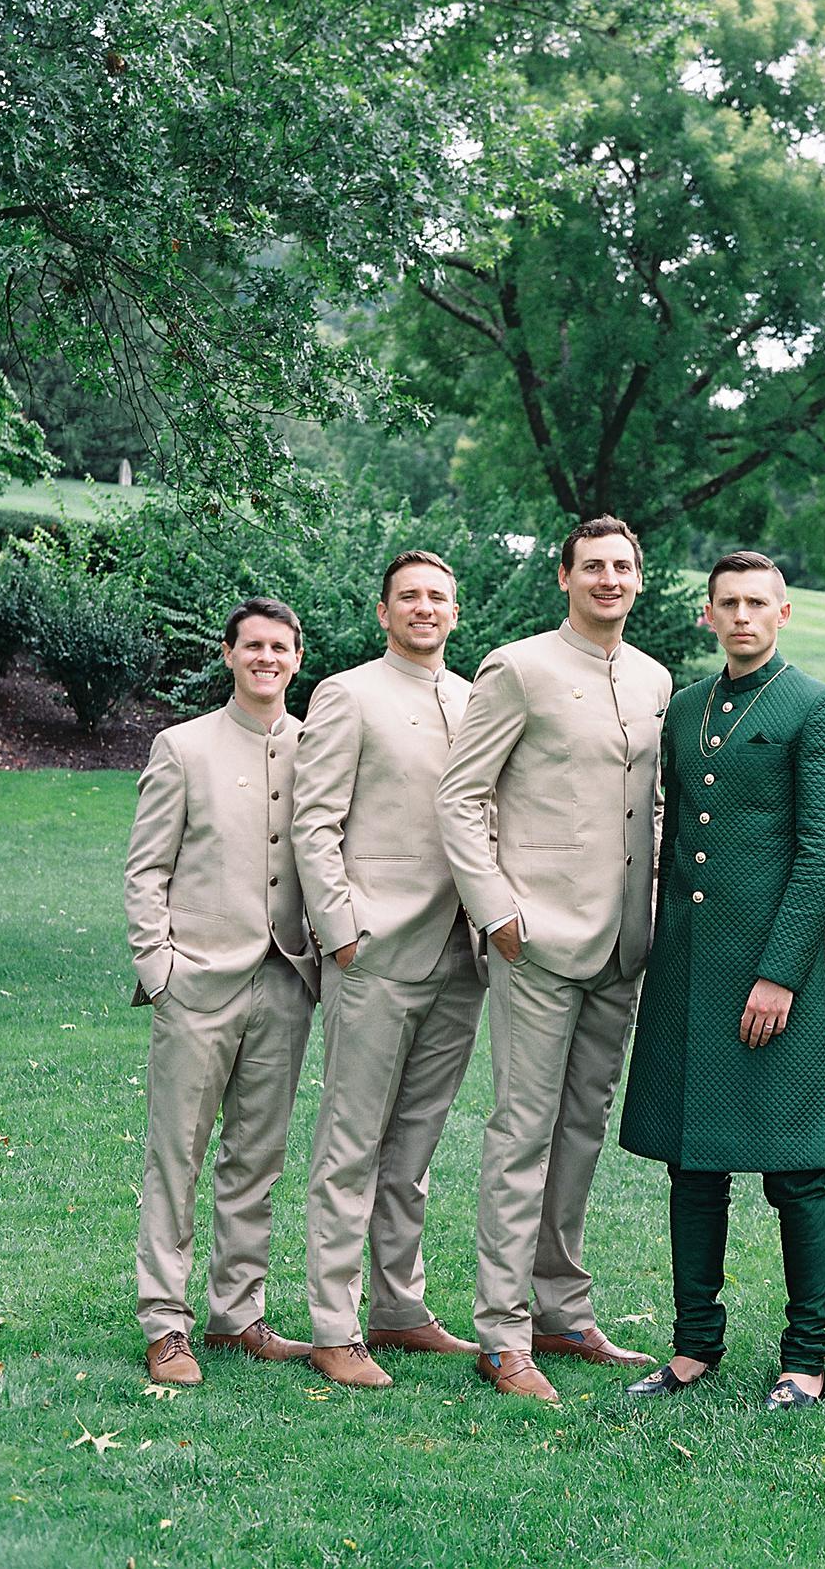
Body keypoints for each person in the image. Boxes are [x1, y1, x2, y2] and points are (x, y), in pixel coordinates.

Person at [619, 551, 825, 1410]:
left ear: (783, 613)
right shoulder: (685, 709)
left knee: (794, 1170)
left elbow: (820, 852)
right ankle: (693, 1348)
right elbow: (677, 836)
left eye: (758, 603)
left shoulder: (818, 709)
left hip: (771, 976)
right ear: (708, 616)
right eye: (728, 603)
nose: (743, 616)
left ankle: (804, 1357)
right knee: (693, 1166)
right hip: (689, 972)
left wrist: (779, 974)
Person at [435, 516, 668, 1402]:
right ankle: (501, 1333)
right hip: (532, 941)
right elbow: (460, 798)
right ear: (564, 577)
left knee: (579, 1133)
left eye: (623, 567)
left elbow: (645, 810)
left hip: (622, 945)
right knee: (521, 1131)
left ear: (638, 580)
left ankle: (561, 1311)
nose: (608, 579)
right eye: (593, 567)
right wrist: (496, 909)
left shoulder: (652, 677)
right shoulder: (518, 667)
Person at [294, 550, 484, 1389]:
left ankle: (398, 1308)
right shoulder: (348, 693)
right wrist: (342, 934)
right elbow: (313, 824)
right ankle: (333, 1325)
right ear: (382, 611)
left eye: (437, 597)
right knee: (352, 1142)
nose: (424, 608)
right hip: (374, 955)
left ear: (455, 611)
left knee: (413, 1146)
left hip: (460, 956)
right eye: (408, 596)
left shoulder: (476, 700)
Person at [125, 597, 319, 1385]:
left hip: (286, 978)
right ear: (229, 654)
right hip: (196, 981)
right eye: (253, 646)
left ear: (297, 658)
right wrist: (157, 968)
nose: (267, 658)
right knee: (177, 1157)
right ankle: (164, 1322)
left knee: (257, 1159)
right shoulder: (182, 747)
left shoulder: (319, 747)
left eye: (280, 647)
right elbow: (145, 870)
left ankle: (237, 1313)